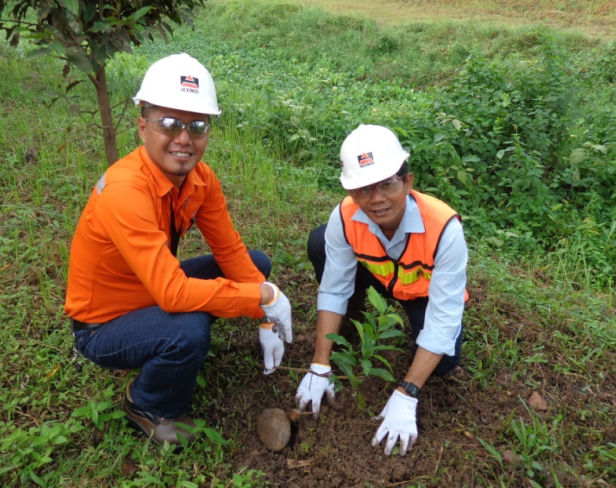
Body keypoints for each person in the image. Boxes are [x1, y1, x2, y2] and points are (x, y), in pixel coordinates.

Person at [64, 53, 292, 447]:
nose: (184, 138)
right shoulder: (124, 191)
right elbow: (172, 294)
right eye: (169, 123)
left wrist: (264, 315)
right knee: (188, 328)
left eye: (197, 125)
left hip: (150, 287)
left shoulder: (201, 179)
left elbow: (230, 250)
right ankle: (148, 404)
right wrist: (262, 296)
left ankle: (169, 345)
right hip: (103, 323)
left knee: (255, 264)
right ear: (142, 127)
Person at [295, 124, 467, 456]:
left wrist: (407, 391)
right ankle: (352, 322)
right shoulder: (344, 216)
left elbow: (444, 316)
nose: (375, 200)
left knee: (445, 362)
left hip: (423, 294)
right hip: (378, 278)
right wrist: (319, 364)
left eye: (387, 185)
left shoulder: (444, 228)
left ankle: (418, 354)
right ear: (350, 191)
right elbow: (333, 288)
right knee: (320, 243)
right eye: (362, 189)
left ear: (407, 182)